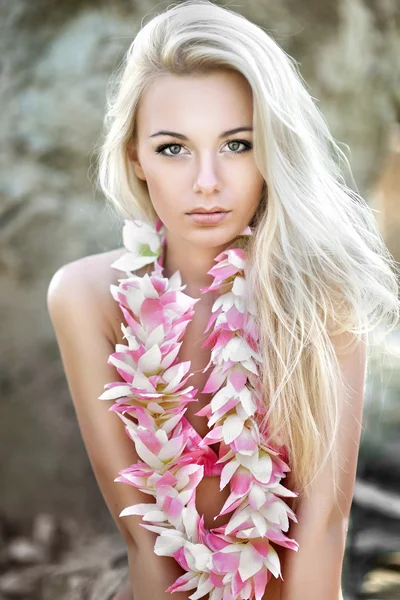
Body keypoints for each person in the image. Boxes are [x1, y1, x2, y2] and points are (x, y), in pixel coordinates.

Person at [46, 1, 399, 599]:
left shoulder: (320, 296)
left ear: (272, 152)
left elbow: (323, 531)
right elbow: (146, 545)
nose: (206, 181)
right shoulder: (86, 299)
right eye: (173, 148)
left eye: (236, 144)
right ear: (135, 155)